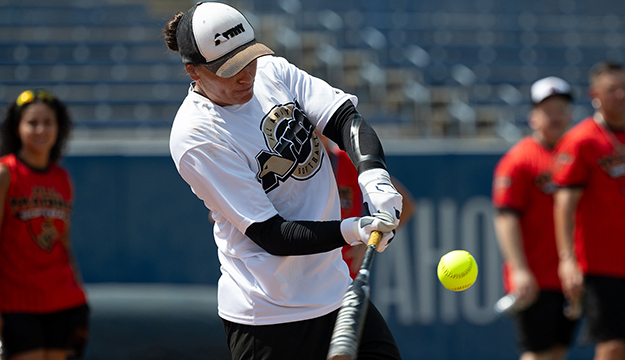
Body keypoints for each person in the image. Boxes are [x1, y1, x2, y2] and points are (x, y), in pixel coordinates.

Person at [163, 2, 403, 359]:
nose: (246, 75)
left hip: (335, 290)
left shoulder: (273, 72)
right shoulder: (196, 136)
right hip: (270, 318)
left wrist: (375, 177)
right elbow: (272, 234)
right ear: (193, 71)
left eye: (248, 58)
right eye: (228, 70)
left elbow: (345, 120)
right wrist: (354, 229)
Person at [0, 89, 89, 360]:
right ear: (17, 128)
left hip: (63, 298)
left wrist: (80, 297)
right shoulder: (6, 172)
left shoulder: (62, 178)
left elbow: (64, 243)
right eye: (32, 122)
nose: (41, 129)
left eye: (48, 122)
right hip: (17, 300)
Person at [492, 76, 577, 360]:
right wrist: (519, 269)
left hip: (570, 275)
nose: (556, 116)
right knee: (536, 353)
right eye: (548, 110)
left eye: (561, 109)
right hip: (536, 276)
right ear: (533, 117)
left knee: (558, 351)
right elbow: (506, 218)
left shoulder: (576, 154)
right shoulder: (520, 159)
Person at [552, 61, 625, 360]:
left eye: (624, 88)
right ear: (595, 93)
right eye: (612, 89)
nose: (620, 95)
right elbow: (564, 205)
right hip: (602, 262)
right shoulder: (582, 140)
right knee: (613, 343)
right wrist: (567, 259)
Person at [320, 135, 415, 279]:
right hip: (307, 283)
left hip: (347, 279)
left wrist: (368, 245)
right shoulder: (291, 173)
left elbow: (405, 205)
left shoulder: (347, 162)